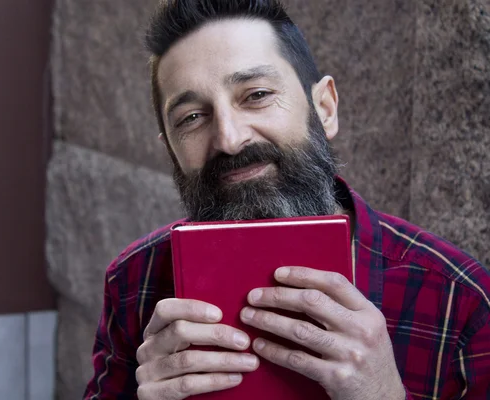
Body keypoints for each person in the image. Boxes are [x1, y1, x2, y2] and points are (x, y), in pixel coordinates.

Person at [83, 1, 490, 399]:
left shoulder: (463, 302)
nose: (229, 138)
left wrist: (383, 393)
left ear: (325, 109)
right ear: (170, 150)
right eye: (192, 118)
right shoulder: (133, 281)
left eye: (256, 94)